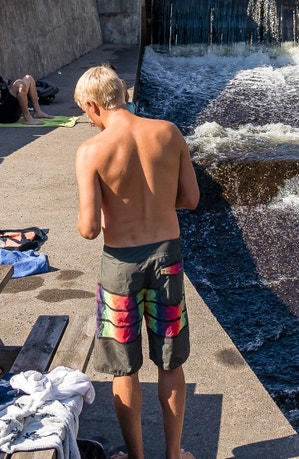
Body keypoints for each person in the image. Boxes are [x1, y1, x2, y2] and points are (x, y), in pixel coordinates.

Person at [73, 65, 199, 459]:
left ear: (93, 106)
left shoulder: (92, 151)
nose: (89, 122)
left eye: (86, 114)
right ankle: (175, 455)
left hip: (120, 268)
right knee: (170, 360)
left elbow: (89, 229)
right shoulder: (169, 132)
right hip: (167, 259)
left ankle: (137, 457)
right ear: (121, 94)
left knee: (124, 368)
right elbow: (191, 199)